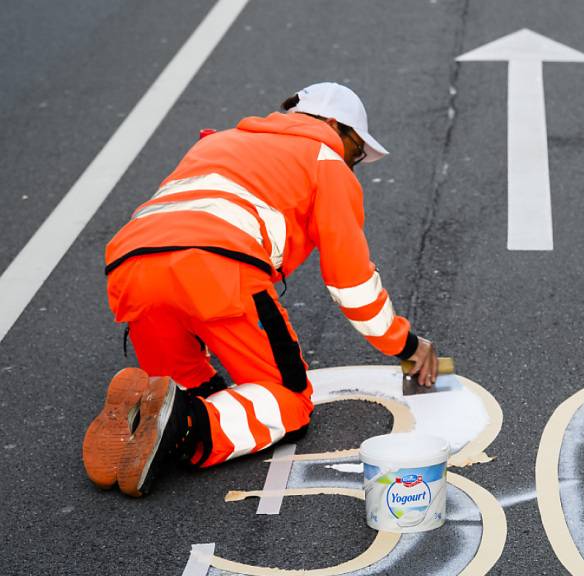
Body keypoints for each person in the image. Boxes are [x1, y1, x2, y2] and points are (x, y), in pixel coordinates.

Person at [82, 82, 438, 497]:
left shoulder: (217, 143)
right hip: (218, 268)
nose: (353, 162)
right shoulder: (325, 160)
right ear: (333, 124)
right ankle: (182, 424)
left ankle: (144, 422)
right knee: (288, 401)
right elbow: (352, 284)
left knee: (192, 389)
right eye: (356, 150)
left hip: (131, 268)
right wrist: (407, 345)